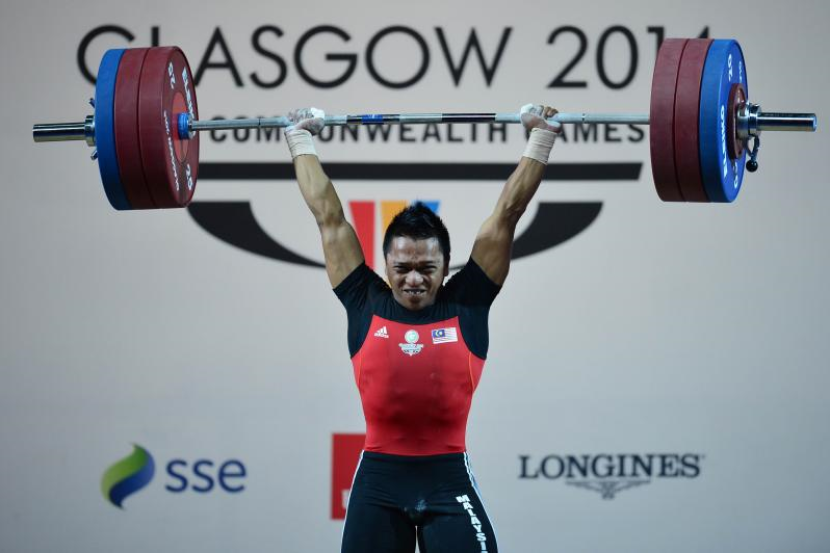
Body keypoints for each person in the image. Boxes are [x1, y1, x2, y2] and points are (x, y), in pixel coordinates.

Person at [286, 105, 561, 553]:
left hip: (447, 480)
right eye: (403, 268)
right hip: (378, 484)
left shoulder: (469, 300)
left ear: (445, 266)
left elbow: (508, 214)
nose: (413, 279)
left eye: (426, 268)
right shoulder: (363, 299)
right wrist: (301, 139)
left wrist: (541, 139)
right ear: (386, 265)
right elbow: (328, 217)